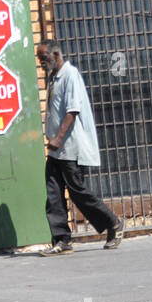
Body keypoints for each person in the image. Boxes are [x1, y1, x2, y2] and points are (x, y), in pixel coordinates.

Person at [34, 40, 124, 256]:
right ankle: (61, 240)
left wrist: (58, 137)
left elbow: (72, 111)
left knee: (78, 192)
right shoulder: (54, 77)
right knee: (53, 193)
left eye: (43, 58)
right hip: (57, 150)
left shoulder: (70, 75)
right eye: (39, 59)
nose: (41, 62)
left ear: (56, 54)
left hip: (70, 147)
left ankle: (113, 223)